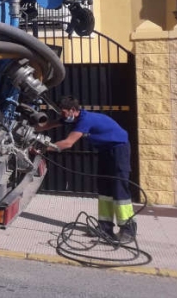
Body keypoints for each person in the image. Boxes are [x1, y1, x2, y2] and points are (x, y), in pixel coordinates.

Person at [39, 96, 136, 243]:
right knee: (104, 190)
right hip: (105, 151)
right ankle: (105, 228)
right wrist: (30, 128)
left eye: (64, 113)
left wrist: (41, 148)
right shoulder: (72, 118)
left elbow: (67, 143)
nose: (62, 116)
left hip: (119, 149)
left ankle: (128, 229)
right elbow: (48, 125)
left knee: (119, 189)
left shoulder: (85, 120)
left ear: (73, 110)